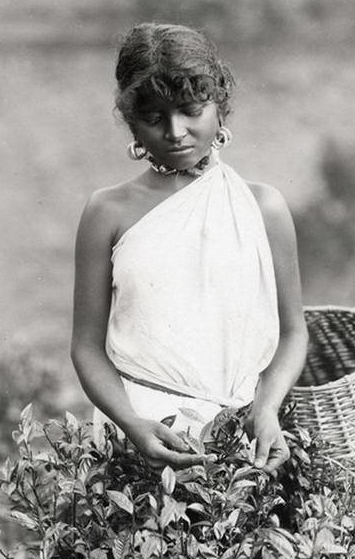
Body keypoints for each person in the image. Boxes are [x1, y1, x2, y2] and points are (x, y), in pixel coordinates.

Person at [71, 23, 308, 474]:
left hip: (239, 444)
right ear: (131, 122)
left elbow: (293, 333)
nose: (176, 131)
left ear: (219, 107)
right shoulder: (107, 212)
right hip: (134, 444)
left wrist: (266, 409)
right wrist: (131, 424)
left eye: (190, 110)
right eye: (155, 118)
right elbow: (86, 347)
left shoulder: (263, 208)